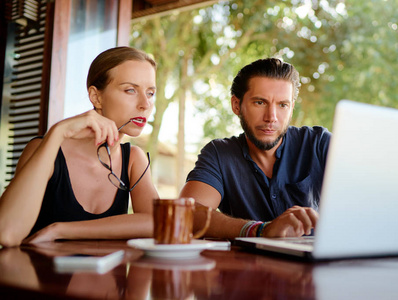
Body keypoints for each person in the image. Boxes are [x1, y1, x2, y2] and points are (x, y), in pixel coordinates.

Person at [0, 47, 159, 247]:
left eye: (150, 93)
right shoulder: (45, 148)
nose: (145, 104)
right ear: (96, 97)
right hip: (40, 277)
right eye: (130, 90)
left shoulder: (134, 159)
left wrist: (60, 230)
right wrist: (58, 132)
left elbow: (158, 224)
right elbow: (7, 233)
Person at [180, 58, 331, 239]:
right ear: (237, 105)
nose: (271, 117)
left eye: (282, 105)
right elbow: (187, 214)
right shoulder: (219, 154)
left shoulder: (318, 143)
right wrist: (261, 230)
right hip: (247, 266)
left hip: (317, 265)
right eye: (260, 102)